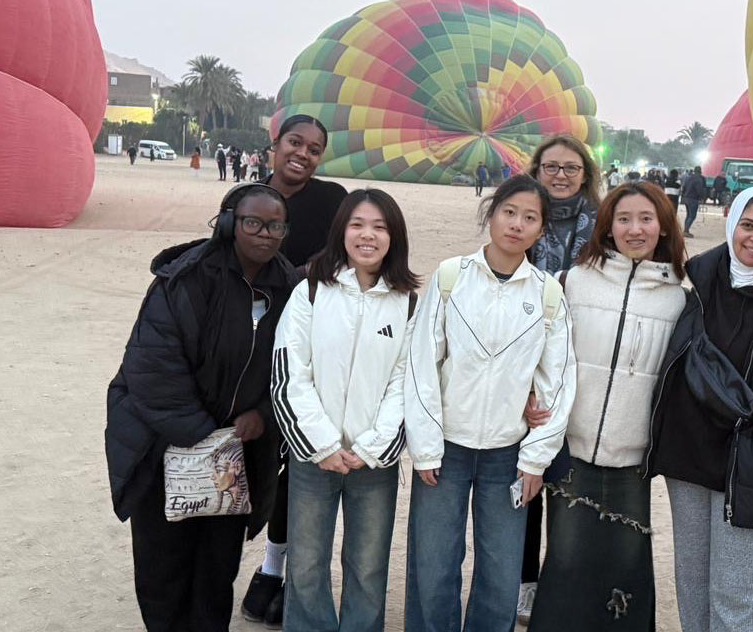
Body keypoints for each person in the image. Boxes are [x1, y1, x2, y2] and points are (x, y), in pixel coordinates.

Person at [105, 183, 297, 632]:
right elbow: (152, 370)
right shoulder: (184, 280)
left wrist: (264, 415)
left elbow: (297, 367)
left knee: (216, 569)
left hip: (238, 458)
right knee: (164, 569)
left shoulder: (288, 287)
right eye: (254, 222)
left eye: (276, 226)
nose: (266, 234)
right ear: (229, 223)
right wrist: (208, 436)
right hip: (165, 447)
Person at [644, 186, 753, 632]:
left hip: (750, 465)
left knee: (737, 594)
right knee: (692, 582)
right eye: (748, 226)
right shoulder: (699, 282)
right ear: (730, 222)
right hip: (688, 456)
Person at [403, 175, 577, 632]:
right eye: (509, 212)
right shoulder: (450, 277)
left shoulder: (547, 293)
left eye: (530, 218)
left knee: (501, 573)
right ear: (491, 214)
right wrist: (425, 446)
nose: (517, 224)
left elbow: (557, 380)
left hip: (508, 455)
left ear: (542, 230)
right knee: (434, 564)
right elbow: (421, 365)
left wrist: (537, 458)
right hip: (446, 449)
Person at [527, 182, 686, 631]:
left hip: (632, 455)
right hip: (571, 447)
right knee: (567, 557)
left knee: (626, 559)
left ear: (663, 226)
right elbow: (546, 355)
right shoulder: (576, 281)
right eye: (623, 219)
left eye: (646, 219)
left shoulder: (678, 296)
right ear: (607, 227)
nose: (635, 229)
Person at [272, 188, 420, 632]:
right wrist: (321, 444)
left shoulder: (408, 302)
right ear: (341, 231)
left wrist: (373, 447)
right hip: (313, 457)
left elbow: (406, 383)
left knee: (368, 566)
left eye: (379, 227)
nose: (368, 236)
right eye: (358, 224)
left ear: (394, 236)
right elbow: (290, 373)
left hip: (373, 462)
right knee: (306, 564)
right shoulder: (311, 291)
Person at [238, 115, 348, 627]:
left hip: (308, 346)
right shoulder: (245, 197)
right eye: (295, 143)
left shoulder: (331, 201)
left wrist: (297, 274)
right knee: (249, 456)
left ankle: (272, 568)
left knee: (294, 463)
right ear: (275, 145)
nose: (303, 154)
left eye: (314, 148)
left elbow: (348, 248)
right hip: (249, 345)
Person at [519, 133, 601, 620]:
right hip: (526, 359)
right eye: (552, 167)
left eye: (571, 168)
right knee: (525, 481)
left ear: (586, 174)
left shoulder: (605, 224)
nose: (561, 175)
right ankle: (524, 581)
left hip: (585, 357)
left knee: (574, 482)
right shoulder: (523, 215)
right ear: (537, 170)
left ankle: (566, 582)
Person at [680, 166, 708, 238]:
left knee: (688, 215)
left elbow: (683, 187)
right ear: (700, 171)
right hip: (693, 199)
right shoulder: (698, 179)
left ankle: (686, 230)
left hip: (686, 198)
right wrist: (702, 198)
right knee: (692, 216)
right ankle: (686, 231)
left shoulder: (688, 177)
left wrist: (683, 196)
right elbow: (699, 190)